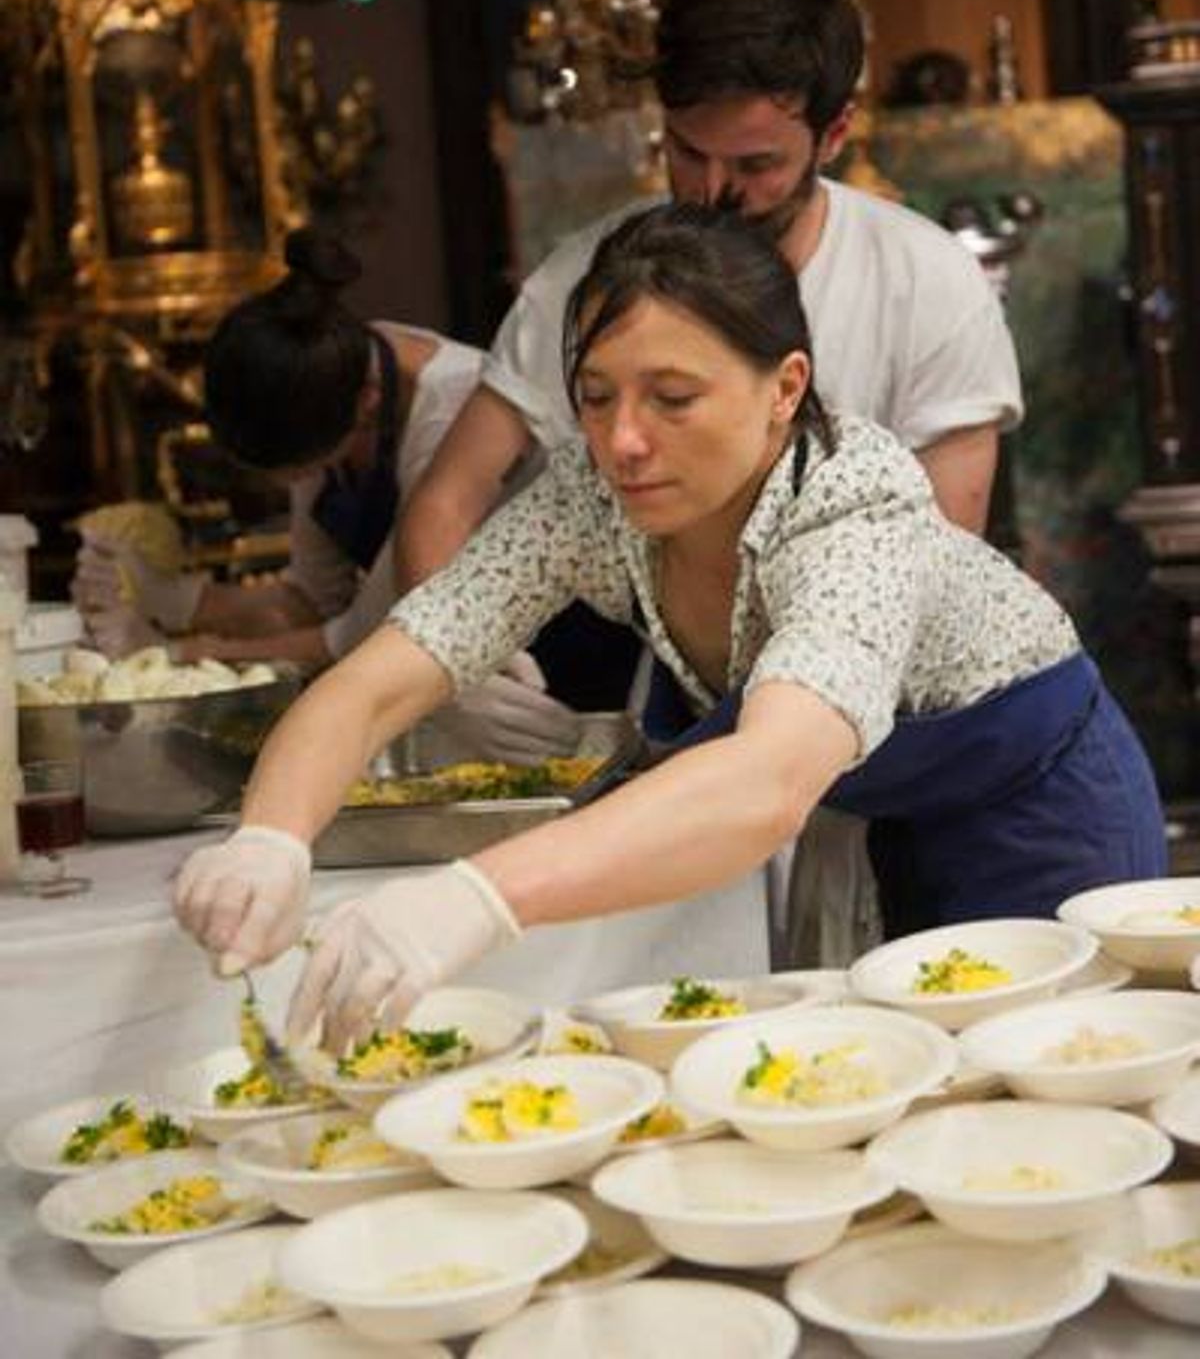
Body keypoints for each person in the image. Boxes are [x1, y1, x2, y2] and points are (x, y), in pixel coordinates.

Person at [174, 204, 1165, 1056]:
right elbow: (383, 675)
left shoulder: (851, 502)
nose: (624, 440)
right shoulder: (591, 494)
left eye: (673, 397)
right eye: (596, 396)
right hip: (886, 820)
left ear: (784, 387)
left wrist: (469, 898)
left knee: (1044, 1114)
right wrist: (272, 835)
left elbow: (768, 778)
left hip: (1036, 810)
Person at [396, 0, 1021, 621]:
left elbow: (939, 563)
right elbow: (446, 500)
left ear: (833, 135)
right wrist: (461, 679)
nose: (713, 190)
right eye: (689, 152)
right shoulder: (588, 277)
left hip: (876, 668)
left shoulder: (929, 283)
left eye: (757, 164)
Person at [73, 232, 579, 758]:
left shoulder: (454, 412)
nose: (301, 485)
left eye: (305, 470)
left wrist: (179, 652)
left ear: (368, 402)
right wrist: (173, 597)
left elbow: (360, 634)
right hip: (437, 664)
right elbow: (310, 600)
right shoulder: (314, 369)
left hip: (544, 669)